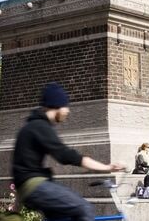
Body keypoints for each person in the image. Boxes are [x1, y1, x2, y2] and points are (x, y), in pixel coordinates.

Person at [12, 82, 124, 221]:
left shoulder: (30, 126)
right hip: (36, 187)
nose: (68, 111)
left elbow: (19, 168)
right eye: (66, 106)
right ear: (57, 105)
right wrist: (107, 167)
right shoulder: (40, 127)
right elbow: (66, 155)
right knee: (84, 208)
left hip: (28, 189)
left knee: (61, 217)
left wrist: (17, 203)